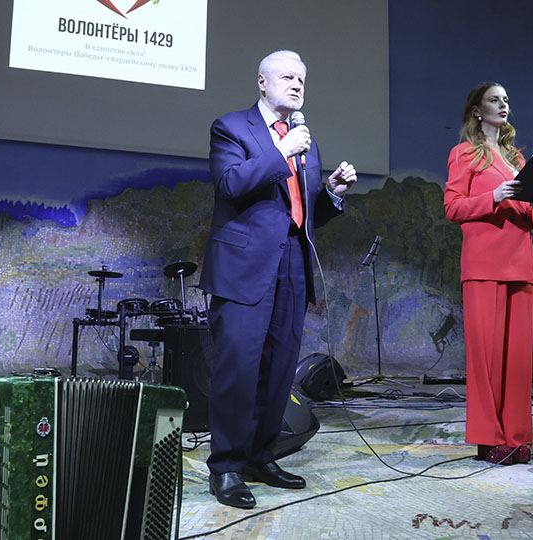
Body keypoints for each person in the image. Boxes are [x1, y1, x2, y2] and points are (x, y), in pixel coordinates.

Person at [198, 50, 357, 509]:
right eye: (287, 77)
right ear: (262, 82)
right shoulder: (232, 128)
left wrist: (332, 193)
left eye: (302, 79)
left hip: (292, 263)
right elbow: (230, 184)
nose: (297, 85)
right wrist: (280, 152)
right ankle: (226, 467)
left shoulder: (306, 142)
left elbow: (301, 213)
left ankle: (260, 456)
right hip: (243, 267)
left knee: (279, 370)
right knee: (239, 369)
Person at [444, 82, 533, 465]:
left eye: (506, 99)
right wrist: (493, 196)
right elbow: (453, 208)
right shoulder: (464, 153)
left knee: (518, 358)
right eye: (494, 99)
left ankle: (517, 437)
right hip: (484, 263)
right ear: (477, 109)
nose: (503, 104)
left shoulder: (517, 158)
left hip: (520, 261)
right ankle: (489, 439)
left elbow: (529, 215)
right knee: (486, 356)